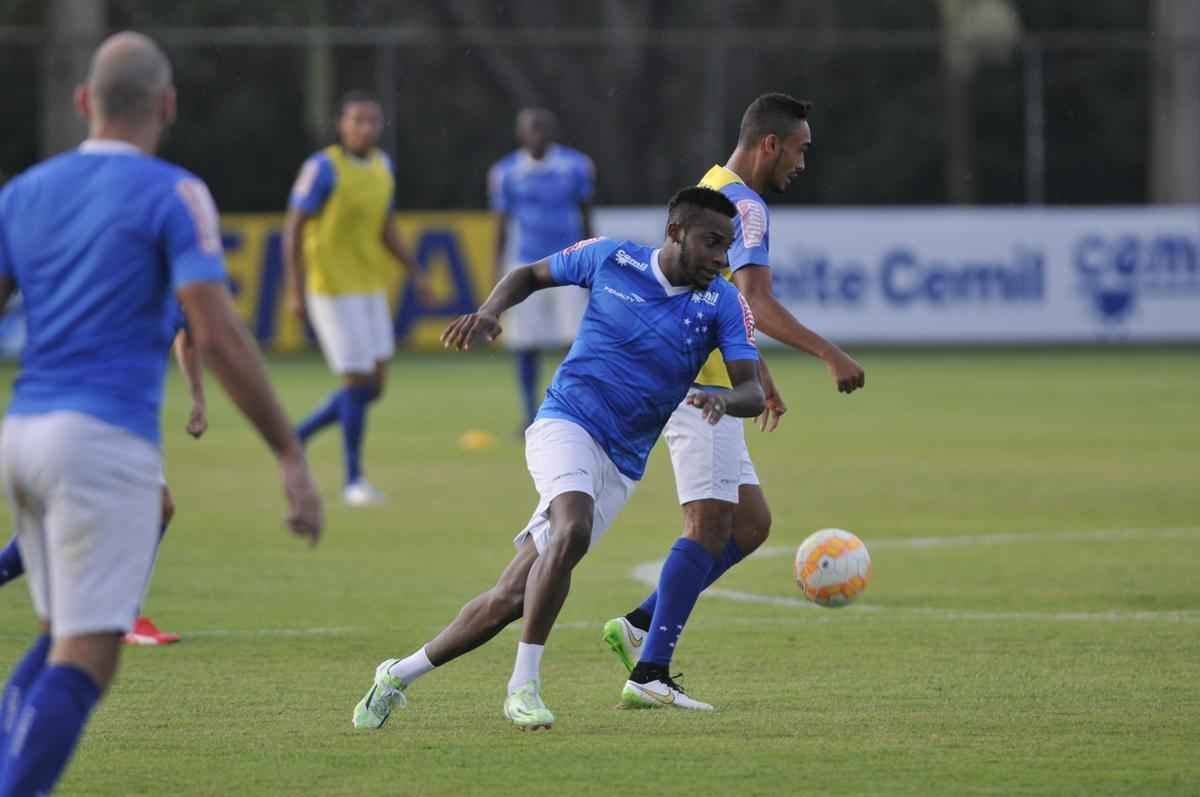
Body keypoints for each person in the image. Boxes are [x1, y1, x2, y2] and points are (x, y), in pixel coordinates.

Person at [0, 32, 322, 795]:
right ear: (168, 106)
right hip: (100, 441)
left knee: (56, 638)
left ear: (84, 102)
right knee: (88, 655)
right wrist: (288, 451)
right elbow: (213, 328)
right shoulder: (172, 193)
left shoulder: (23, 192)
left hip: (22, 435)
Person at [351, 187, 763, 731]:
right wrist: (490, 311)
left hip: (621, 464)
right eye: (711, 242)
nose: (721, 257)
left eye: (728, 246)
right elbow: (528, 274)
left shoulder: (723, 303)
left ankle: (397, 675)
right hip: (565, 423)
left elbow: (752, 392)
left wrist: (722, 398)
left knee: (509, 598)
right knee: (572, 527)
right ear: (675, 233)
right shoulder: (611, 258)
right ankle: (523, 688)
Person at [602, 94, 866, 680]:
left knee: (750, 526)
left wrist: (756, 368)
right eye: (800, 150)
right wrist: (829, 352)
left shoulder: (711, 183)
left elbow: (721, 296)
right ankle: (650, 674)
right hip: (702, 389)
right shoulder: (744, 206)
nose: (802, 162)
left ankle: (641, 624)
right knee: (707, 527)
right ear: (770, 144)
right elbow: (755, 298)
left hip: (708, 375)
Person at [0, 312, 205, 647]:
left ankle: (122, 616)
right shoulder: (137, 279)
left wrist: (198, 399)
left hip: (112, 413)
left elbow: (187, 336)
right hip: (99, 411)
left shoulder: (173, 284)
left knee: (144, 507)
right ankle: (123, 617)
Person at [284, 90, 430, 507]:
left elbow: (386, 227)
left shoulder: (384, 168)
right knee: (355, 381)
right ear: (341, 125)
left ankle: (296, 438)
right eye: (357, 120)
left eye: (372, 121)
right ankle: (353, 480)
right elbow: (294, 227)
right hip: (330, 288)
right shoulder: (323, 168)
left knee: (375, 385)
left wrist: (414, 272)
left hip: (369, 285)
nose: (364, 128)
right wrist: (295, 289)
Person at [488, 108, 595, 431]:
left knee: (574, 339)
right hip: (525, 264)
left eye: (542, 128)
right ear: (521, 134)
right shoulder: (505, 172)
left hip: (569, 264)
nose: (537, 134)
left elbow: (586, 214)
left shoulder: (576, 166)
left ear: (552, 132)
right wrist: (496, 270)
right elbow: (501, 223)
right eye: (531, 129)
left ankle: (573, 408)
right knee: (525, 341)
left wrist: (592, 259)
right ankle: (529, 413)